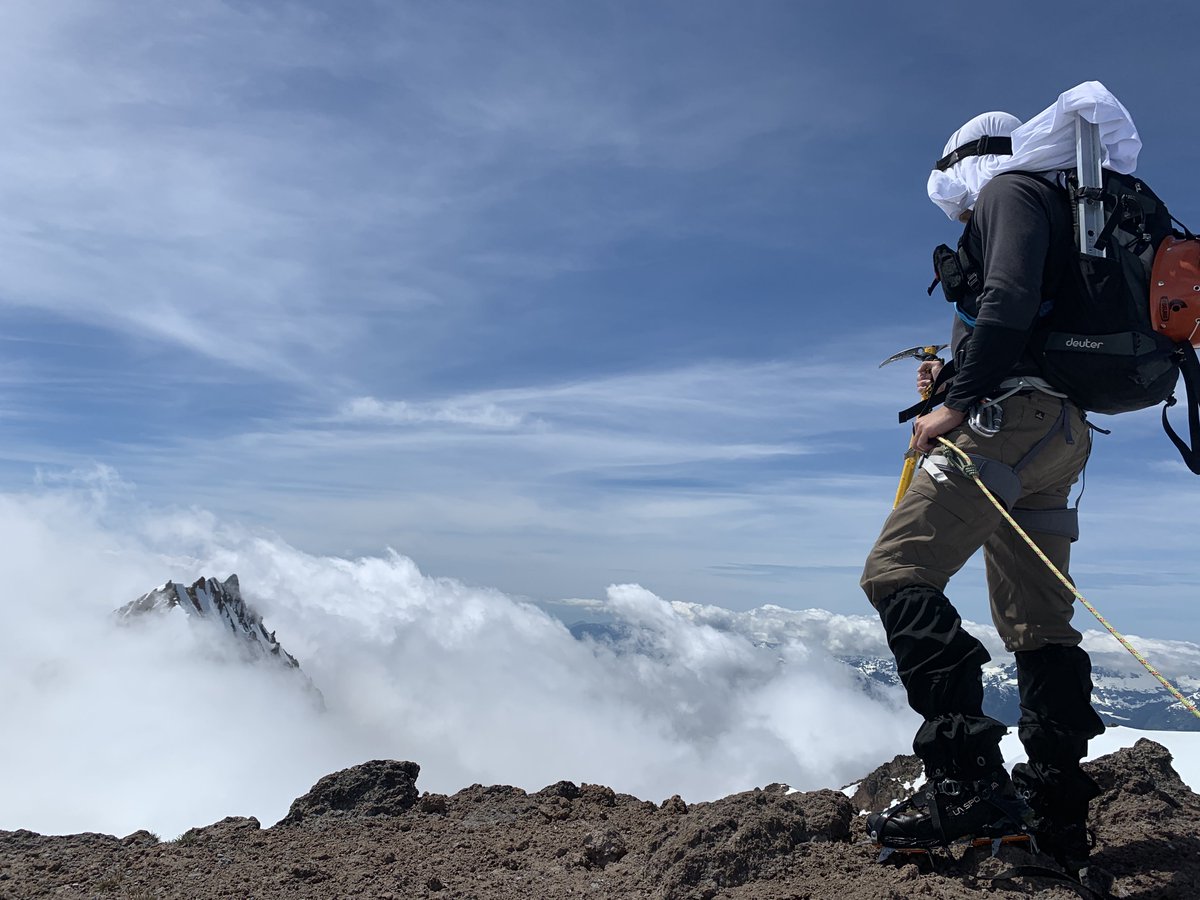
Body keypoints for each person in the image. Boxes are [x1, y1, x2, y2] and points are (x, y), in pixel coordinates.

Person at [860, 107, 1108, 873]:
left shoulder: (1009, 189)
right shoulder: (1070, 209)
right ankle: (1057, 814)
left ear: (964, 161)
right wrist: (953, 379)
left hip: (1005, 423)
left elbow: (1002, 302)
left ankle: (968, 789)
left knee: (897, 574)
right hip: (1061, 434)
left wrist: (955, 407)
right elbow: (1011, 317)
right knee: (1038, 626)